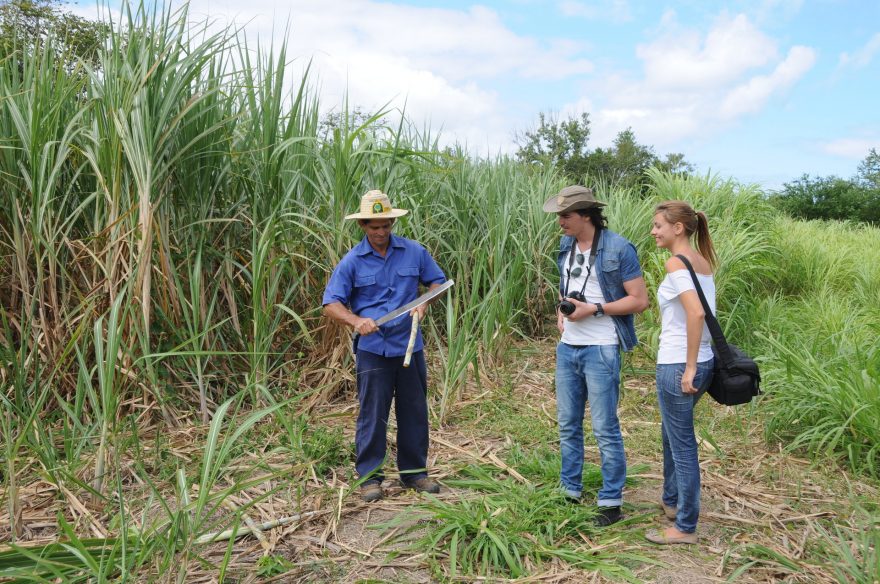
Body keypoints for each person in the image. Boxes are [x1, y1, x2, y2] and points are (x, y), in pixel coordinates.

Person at [323, 189, 446, 502]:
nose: (380, 232)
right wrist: (355, 321)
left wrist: (424, 303)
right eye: (373, 226)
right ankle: (369, 478)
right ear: (363, 225)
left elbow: (438, 283)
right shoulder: (352, 261)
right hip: (373, 348)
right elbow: (331, 303)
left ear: (392, 222)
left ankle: (414, 474)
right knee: (373, 413)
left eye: (386, 225)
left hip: (410, 345)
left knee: (414, 411)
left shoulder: (414, 252)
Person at [543, 185, 649, 526]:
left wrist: (595, 309)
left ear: (586, 214)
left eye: (565, 215)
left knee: (604, 426)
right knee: (568, 424)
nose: (560, 222)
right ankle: (569, 491)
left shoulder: (618, 248)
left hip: (602, 346)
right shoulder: (565, 246)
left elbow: (639, 300)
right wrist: (563, 313)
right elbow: (566, 286)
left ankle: (610, 501)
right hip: (568, 348)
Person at [645, 200, 717, 545]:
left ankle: (685, 526)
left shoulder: (677, 262)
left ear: (678, 228)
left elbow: (697, 314)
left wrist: (687, 367)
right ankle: (671, 501)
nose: (654, 231)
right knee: (671, 434)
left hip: (679, 363)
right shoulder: (701, 261)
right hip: (704, 360)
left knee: (682, 445)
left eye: (659, 225)